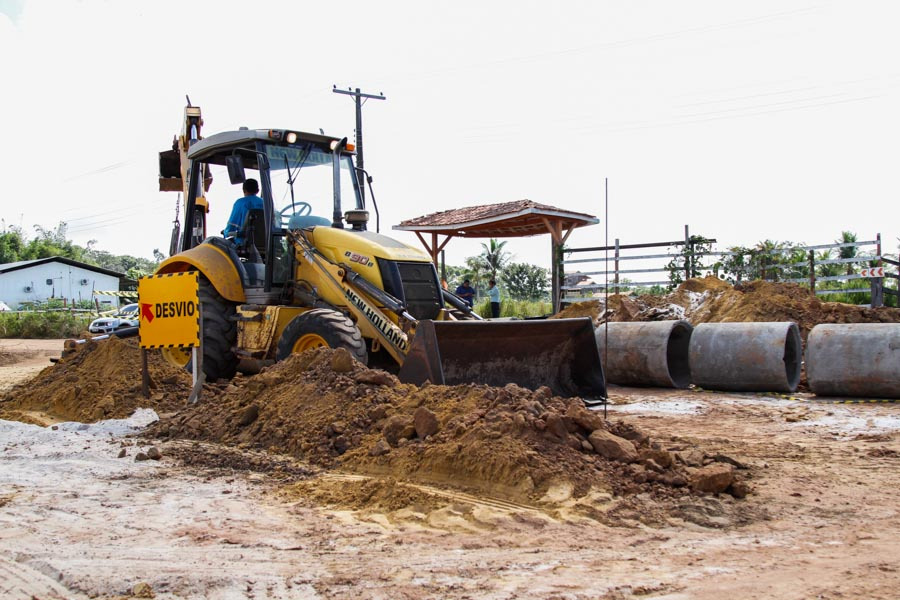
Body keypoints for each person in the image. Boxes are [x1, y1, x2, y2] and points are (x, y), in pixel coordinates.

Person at [223, 178, 264, 247]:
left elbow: (232, 226)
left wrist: (225, 232)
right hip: (265, 243)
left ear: (244, 190)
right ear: (258, 190)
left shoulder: (241, 203)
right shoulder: (267, 204)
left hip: (244, 244)